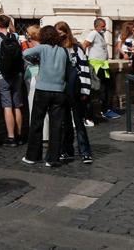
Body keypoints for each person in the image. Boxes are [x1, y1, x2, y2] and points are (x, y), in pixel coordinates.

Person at [21, 25, 68, 167]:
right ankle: (53, 158)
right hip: (59, 90)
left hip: (42, 89)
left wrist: (33, 60)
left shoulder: (42, 48)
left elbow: (25, 54)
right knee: (56, 125)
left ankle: (33, 156)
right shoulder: (63, 51)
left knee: (36, 123)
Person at [56, 22, 93, 164]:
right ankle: (67, 150)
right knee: (65, 123)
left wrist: (85, 90)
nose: (59, 36)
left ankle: (85, 151)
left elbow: (84, 69)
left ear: (66, 32)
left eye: (61, 33)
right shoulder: (56, 48)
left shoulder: (77, 48)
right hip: (62, 90)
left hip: (77, 90)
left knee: (79, 122)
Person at [0, 15, 26, 147]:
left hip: (3, 75)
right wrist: (12, 29)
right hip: (17, 74)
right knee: (17, 105)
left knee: (7, 106)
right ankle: (20, 135)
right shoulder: (15, 37)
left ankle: (11, 137)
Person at [81, 18, 113, 120]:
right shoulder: (93, 33)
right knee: (97, 88)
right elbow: (84, 44)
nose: (105, 28)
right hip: (96, 65)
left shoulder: (101, 35)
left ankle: (103, 110)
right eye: (103, 26)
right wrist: (83, 59)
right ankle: (97, 112)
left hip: (103, 65)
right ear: (97, 26)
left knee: (104, 88)